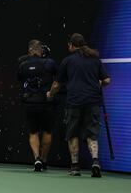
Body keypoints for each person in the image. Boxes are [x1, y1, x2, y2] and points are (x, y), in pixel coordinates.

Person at [47, 33, 111, 177]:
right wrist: (98, 84)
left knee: (72, 134)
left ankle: (75, 167)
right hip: (93, 102)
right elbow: (106, 80)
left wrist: (50, 94)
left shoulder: (68, 61)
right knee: (92, 134)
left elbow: (57, 84)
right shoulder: (95, 59)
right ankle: (95, 161)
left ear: (71, 45)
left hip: (74, 102)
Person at [18, 40, 58, 171]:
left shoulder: (23, 64)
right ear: (41, 51)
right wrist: (51, 93)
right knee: (47, 131)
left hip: (30, 102)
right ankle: (44, 159)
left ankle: (36, 159)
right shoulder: (50, 63)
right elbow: (58, 81)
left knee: (33, 132)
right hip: (46, 102)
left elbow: (20, 80)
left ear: (30, 51)